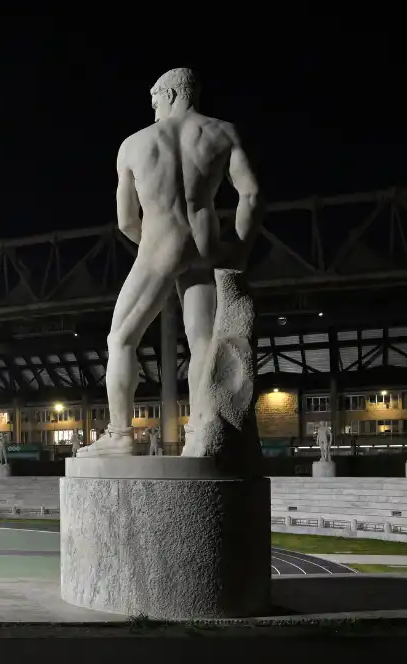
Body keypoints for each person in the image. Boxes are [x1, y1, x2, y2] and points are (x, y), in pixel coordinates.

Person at [78, 67, 262, 457]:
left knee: (121, 338)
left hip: (161, 242)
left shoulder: (134, 144)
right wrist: (240, 251)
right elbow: (251, 194)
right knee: (201, 343)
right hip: (205, 245)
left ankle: (120, 435)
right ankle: (199, 431)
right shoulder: (224, 132)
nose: (155, 108)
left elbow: (127, 220)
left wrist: (155, 247)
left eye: (156, 99)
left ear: (174, 93)